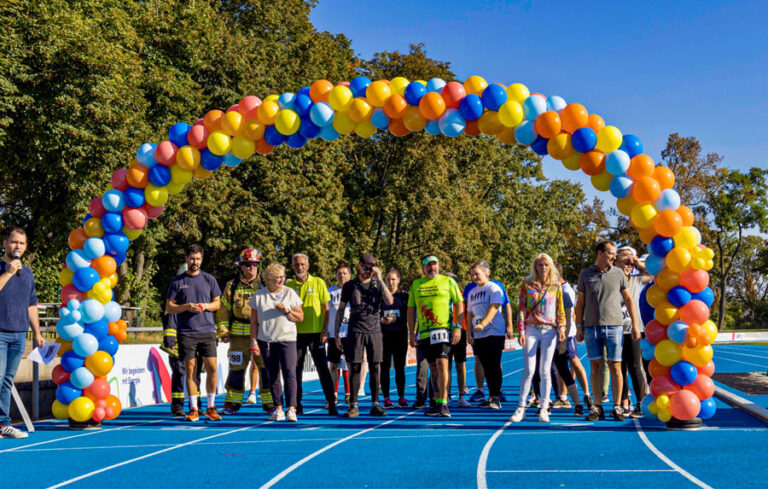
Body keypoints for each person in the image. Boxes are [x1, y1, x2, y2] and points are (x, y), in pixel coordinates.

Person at [575, 240, 642, 421]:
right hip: (591, 327)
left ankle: (618, 406)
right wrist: (579, 326)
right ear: (600, 253)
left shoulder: (619, 273)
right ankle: (597, 407)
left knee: (616, 366)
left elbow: (628, 300)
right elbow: (580, 303)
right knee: (596, 367)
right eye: (611, 253)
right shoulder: (585, 274)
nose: (614, 257)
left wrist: (635, 325)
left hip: (615, 326)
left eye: (614, 254)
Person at [166, 244, 222, 422]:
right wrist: (185, 307)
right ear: (186, 259)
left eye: (197, 259)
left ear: (201, 260)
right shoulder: (177, 282)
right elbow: (169, 307)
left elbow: (217, 303)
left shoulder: (209, 279)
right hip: (187, 333)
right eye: (192, 259)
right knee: (190, 370)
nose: (194, 262)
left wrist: (205, 306)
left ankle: (211, 407)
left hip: (207, 331)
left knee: (212, 368)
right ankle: (193, 409)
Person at [510, 253, 566, 423]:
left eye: (546, 265)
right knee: (529, 370)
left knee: (546, 370)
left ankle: (544, 408)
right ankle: (521, 407)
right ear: (535, 267)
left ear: (551, 267)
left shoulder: (556, 286)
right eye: (540, 265)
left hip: (550, 330)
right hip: (531, 330)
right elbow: (521, 309)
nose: (543, 268)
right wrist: (520, 331)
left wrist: (562, 327)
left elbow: (560, 309)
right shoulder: (527, 285)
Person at [335, 254, 393, 417]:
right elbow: (340, 310)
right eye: (365, 267)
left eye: (371, 268)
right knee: (354, 366)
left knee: (376, 366)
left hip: (374, 329)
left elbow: (389, 301)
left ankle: (375, 404)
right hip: (355, 330)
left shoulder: (377, 285)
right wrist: (338, 333)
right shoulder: (349, 286)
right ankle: (353, 405)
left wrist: (380, 279)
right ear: (359, 266)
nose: (368, 271)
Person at [216, 248, 272, 415]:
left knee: (266, 368)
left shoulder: (265, 285)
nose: (251, 267)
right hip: (238, 336)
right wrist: (223, 331)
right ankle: (232, 404)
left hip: (262, 336)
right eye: (247, 264)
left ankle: (270, 404)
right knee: (236, 369)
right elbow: (223, 309)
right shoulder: (231, 286)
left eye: (255, 264)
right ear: (240, 266)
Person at [408, 254, 464, 418]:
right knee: (433, 367)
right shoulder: (416, 285)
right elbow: (411, 310)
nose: (432, 267)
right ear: (423, 268)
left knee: (442, 364)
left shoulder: (448, 282)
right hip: (425, 332)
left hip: (443, 330)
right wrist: (411, 333)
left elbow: (459, 303)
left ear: (439, 266)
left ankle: (444, 404)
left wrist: (458, 327)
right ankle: (438, 403)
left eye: (434, 264)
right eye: (428, 265)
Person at [0, 227, 43, 439]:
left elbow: (31, 304)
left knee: (7, 380)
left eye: (22, 243)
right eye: (14, 242)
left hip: (19, 334)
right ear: (5, 243)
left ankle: (2, 424)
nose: (18, 246)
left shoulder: (26, 272)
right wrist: (7, 273)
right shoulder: (3, 268)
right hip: (0, 332)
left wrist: (37, 332)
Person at [249, 263, 304, 422]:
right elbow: (253, 321)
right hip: (266, 340)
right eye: (277, 278)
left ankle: (292, 408)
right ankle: (278, 408)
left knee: (289, 373)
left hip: (287, 339)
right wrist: (253, 341)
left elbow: (300, 317)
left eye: (282, 277)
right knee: (272, 375)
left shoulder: (290, 293)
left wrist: (287, 310)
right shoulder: (259, 296)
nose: (281, 280)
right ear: (268, 279)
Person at [286, 253, 337, 415]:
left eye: (302, 264)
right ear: (293, 267)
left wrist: (324, 330)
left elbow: (326, 309)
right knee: (295, 370)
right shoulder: (289, 286)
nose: (299, 267)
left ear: (307, 266)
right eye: (296, 265)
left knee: (323, 369)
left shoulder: (318, 282)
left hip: (317, 334)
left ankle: (331, 402)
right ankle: (296, 404)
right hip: (296, 335)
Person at [466, 262, 514, 410]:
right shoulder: (472, 292)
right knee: (485, 365)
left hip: (494, 331)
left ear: (487, 273)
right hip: (479, 335)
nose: (474, 277)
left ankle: (495, 397)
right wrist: (469, 332)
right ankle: (490, 396)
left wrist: (483, 324)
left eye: (477, 274)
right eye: (472, 274)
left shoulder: (493, 288)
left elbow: (494, 307)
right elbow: (469, 313)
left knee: (494, 364)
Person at [616, 246, 651, 418]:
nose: (628, 267)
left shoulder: (637, 280)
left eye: (630, 264)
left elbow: (654, 274)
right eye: (624, 263)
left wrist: (636, 261)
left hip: (634, 329)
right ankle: (623, 403)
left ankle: (640, 402)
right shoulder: (611, 279)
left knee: (636, 366)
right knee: (619, 368)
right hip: (615, 329)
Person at [551, 263, 590, 416]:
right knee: (561, 366)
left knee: (573, 361)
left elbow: (571, 315)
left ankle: (585, 394)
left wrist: (568, 334)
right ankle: (563, 396)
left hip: (567, 334)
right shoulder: (554, 288)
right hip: (557, 333)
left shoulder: (566, 290)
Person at [160, 311, 202, 417]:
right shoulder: (176, 303)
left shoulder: (198, 303)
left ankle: (196, 405)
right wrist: (170, 341)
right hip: (177, 349)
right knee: (179, 375)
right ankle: (177, 407)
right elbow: (170, 322)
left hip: (193, 347)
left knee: (195, 377)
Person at [380, 268, 409, 408]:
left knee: (399, 367)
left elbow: (409, 316)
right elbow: (374, 315)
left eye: (393, 279)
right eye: (388, 279)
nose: (390, 282)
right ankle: (386, 397)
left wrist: (396, 319)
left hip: (400, 335)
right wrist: (382, 320)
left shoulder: (404, 296)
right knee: (384, 367)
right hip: (384, 336)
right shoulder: (380, 296)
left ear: (398, 280)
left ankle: (401, 397)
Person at [327, 262, 352, 406]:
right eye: (339, 273)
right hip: (333, 335)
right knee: (333, 366)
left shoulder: (354, 291)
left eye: (344, 273)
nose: (341, 276)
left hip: (349, 334)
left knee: (349, 365)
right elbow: (324, 313)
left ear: (349, 275)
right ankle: (332, 395)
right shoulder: (329, 292)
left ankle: (349, 395)